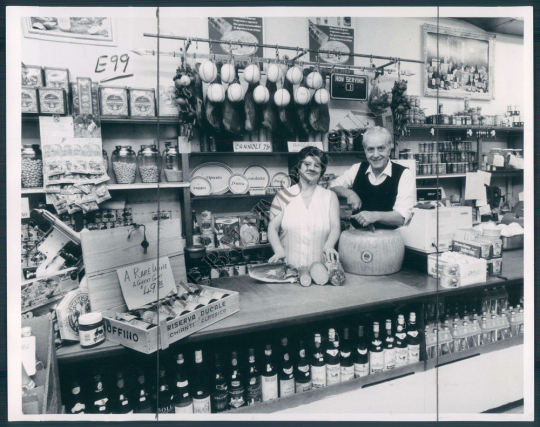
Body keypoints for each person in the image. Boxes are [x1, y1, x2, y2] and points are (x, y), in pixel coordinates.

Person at [267, 146, 340, 268]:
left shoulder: (330, 197)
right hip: (289, 269)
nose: (311, 168)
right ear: (299, 167)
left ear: (321, 171)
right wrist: (278, 250)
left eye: (317, 165)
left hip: (321, 269)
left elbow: (335, 227)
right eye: (307, 164)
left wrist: (329, 246)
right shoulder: (282, 196)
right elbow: (272, 228)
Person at [330, 126, 416, 229]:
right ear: (365, 151)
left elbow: (402, 217)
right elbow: (332, 186)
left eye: (381, 148)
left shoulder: (404, 174)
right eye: (370, 149)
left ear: (389, 148)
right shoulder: (357, 169)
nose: (375, 155)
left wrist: (374, 216)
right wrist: (349, 193)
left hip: (390, 240)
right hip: (356, 238)